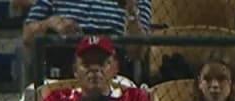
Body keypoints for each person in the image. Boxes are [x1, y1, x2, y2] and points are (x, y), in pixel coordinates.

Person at [22, 0, 151, 81]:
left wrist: (131, 12)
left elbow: (137, 53)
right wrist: (49, 22)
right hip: (64, 71)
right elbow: (27, 37)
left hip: (113, 73)